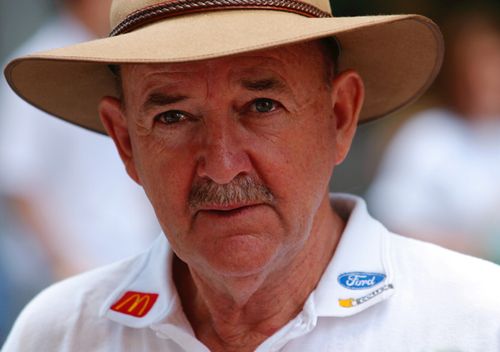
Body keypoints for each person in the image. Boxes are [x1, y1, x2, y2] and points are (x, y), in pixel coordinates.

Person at [2, 0, 500, 351]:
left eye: (262, 106)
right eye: (173, 117)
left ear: (339, 117)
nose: (221, 165)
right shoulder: (60, 335)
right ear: (126, 142)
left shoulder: (475, 322)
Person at [0, 0, 159, 280]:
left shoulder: (120, 56)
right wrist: (62, 261)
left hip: (132, 255)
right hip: (70, 270)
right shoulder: (38, 65)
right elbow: (19, 178)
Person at [367, 8, 500, 262]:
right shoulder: (426, 135)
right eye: (475, 65)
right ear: (455, 73)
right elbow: (391, 221)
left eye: (493, 63)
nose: (486, 77)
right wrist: (478, 247)